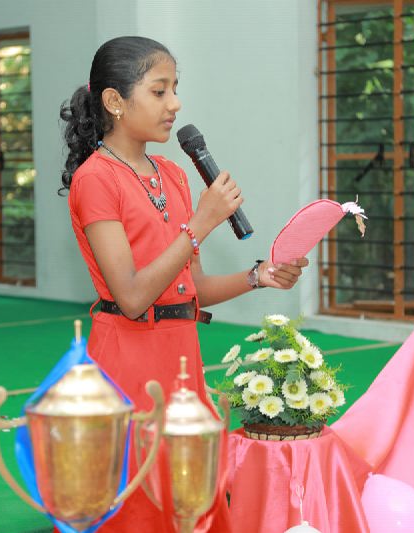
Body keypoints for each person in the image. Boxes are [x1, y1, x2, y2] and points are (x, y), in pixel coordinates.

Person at [60, 36, 309, 532]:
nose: (175, 103)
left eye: (175, 88)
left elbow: (191, 288)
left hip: (181, 355)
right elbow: (132, 296)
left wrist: (257, 276)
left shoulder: (173, 174)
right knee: (137, 496)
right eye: (160, 91)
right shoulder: (96, 179)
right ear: (114, 101)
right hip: (127, 359)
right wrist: (200, 225)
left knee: (189, 492)